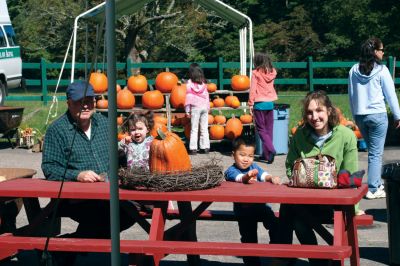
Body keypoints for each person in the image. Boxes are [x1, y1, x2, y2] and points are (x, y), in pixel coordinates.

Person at [42, 81, 135, 244]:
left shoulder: (106, 124)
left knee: (130, 212)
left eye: (89, 101)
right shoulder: (57, 130)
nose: (85, 106)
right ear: (69, 103)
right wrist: (77, 175)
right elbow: (49, 168)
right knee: (110, 215)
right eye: (79, 102)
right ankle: (67, 249)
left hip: (109, 193)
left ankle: (66, 248)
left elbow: (118, 158)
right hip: (75, 198)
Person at [275, 90, 359, 266]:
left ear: (329, 110)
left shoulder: (346, 135)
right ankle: (316, 261)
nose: (315, 117)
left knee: (291, 211)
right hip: (307, 200)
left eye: (319, 110)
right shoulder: (300, 135)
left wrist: (354, 209)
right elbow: (291, 167)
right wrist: (302, 180)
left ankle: (283, 255)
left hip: (334, 202)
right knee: (295, 214)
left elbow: (350, 175)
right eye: (309, 112)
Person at [348, 37, 400, 199]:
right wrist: (398, 115)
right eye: (382, 50)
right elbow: (391, 95)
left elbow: (351, 95)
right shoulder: (382, 71)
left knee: (373, 152)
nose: (383, 53)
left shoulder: (353, 71)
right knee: (376, 153)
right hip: (378, 116)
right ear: (375, 52)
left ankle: (374, 184)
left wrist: (354, 115)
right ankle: (373, 188)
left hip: (360, 116)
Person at [225, 137, 281, 266]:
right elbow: (238, 178)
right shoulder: (231, 171)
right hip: (244, 211)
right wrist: (247, 176)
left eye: (250, 156)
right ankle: (252, 263)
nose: (246, 159)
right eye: (242, 155)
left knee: (275, 225)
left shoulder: (254, 166)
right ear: (233, 155)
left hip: (261, 207)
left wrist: (271, 177)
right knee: (249, 239)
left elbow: (263, 174)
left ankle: (275, 249)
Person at [248, 52, 278, 163]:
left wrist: (250, 104)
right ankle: (266, 155)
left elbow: (252, 90)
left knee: (261, 130)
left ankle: (271, 150)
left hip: (259, 104)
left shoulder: (255, 73)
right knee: (269, 130)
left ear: (257, 62)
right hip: (270, 104)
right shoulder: (272, 72)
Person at [184, 63, 210, 155]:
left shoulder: (189, 84)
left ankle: (193, 148)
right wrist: (208, 107)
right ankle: (205, 147)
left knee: (194, 129)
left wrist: (187, 110)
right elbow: (207, 96)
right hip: (204, 108)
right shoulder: (203, 84)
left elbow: (188, 98)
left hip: (195, 108)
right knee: (204, 128)